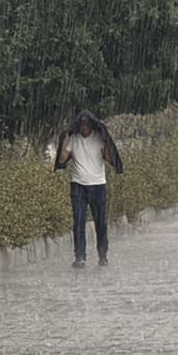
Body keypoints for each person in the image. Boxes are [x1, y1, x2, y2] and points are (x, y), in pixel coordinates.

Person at [54, 110, 123, 268]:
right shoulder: (73, 138)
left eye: (86, 124)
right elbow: (63, 158)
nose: (84, 127)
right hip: (78, 185)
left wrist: (106, 142)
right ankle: (80, 257)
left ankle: (102, 255)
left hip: (98, 185)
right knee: (78, 222)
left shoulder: (99, 138)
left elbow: (110, 158)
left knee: (100, 222)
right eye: (81, 124)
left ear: (91, 125)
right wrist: (64, 139)